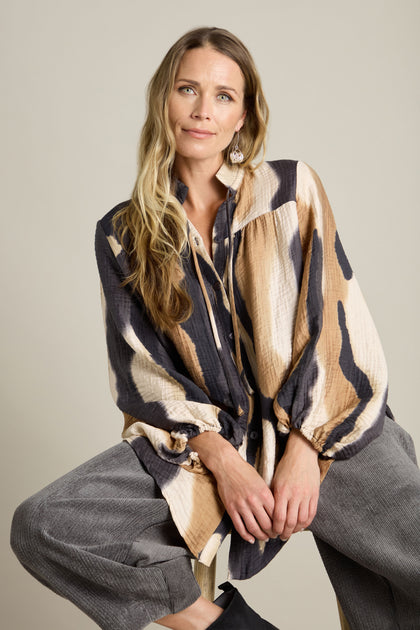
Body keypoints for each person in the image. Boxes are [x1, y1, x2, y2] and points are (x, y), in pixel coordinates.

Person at [10, 26, 420, 630]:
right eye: (188, 89)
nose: (204, 110)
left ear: (243, 117)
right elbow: (144, 378)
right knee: (45, 524)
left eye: (225, 96)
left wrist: (303, 453)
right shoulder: (124, 234)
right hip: (210, 447)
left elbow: (334, 326)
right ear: (163, 102)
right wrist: (226, 464)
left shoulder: (289, 191)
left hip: (326, 432)